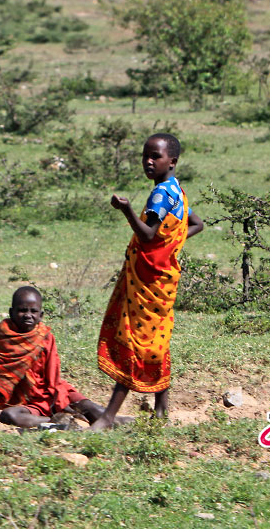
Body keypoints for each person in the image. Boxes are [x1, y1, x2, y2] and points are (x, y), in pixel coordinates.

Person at [91, 133, 203, 430]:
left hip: (149, 282)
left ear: (173, 161)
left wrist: (127, 210)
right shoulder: (176, 191)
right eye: (146, 156)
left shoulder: (161, 195)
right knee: (157, 342)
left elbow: (148, 235)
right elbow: (195, 224)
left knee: (137, 342)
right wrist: (170, 248)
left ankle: (107, 417)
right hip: (159, 280)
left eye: (156, 156)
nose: (149, 162)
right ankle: (161, 411)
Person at [0, 286, 105, 428]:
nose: (28, 315)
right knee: (9, 416)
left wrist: (58, 404)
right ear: (11, 313)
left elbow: (53, 381)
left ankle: (123, 424)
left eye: (33, 311)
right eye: (22, 310)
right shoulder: (0, 342)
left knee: (95, 410)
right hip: (24, 405)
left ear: (41, 315)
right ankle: (58, 422)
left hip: (50, 396)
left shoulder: (45, 338)